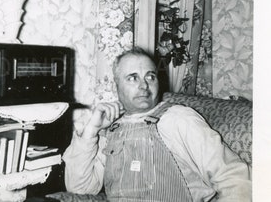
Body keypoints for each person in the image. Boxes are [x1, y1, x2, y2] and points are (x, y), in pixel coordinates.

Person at [62, 47, 251, 202]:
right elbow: (80, 188)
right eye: (133, 77)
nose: (144, 85)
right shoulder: (112, 129)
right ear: (116, 86)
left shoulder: (178, 119)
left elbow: (235, 178)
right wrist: (91, 131)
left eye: (150, 76)